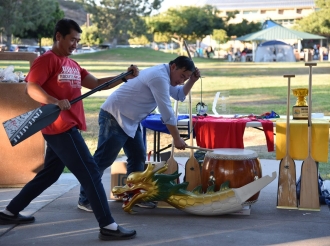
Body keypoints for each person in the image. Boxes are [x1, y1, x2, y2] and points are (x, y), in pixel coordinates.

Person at [0, 18, 139, 241]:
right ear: (58, 36)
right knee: (91, 173)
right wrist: (54, 101)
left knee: (50, 174)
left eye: (78, 40)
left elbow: (95, 83)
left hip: (65, 127)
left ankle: (9, 212)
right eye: (72, 39)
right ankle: (108, 226)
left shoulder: (72, 65)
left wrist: (123, 76)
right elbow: (31, 88)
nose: (75, 44)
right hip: (61, 127)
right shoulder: (47, 60)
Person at [77, 56, 201, 211]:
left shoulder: (165, 74)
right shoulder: (159, 76)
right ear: (173, 66)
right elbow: (166, 111)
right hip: (114, 115)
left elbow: (179, 95)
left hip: (131, 119)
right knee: (103, 159)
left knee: (137, 157)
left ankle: (133, 196)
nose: (182, 81)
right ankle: (85, 199)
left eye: (186, 78)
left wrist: (192, 81)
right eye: (182, 76)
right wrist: (176, 137)